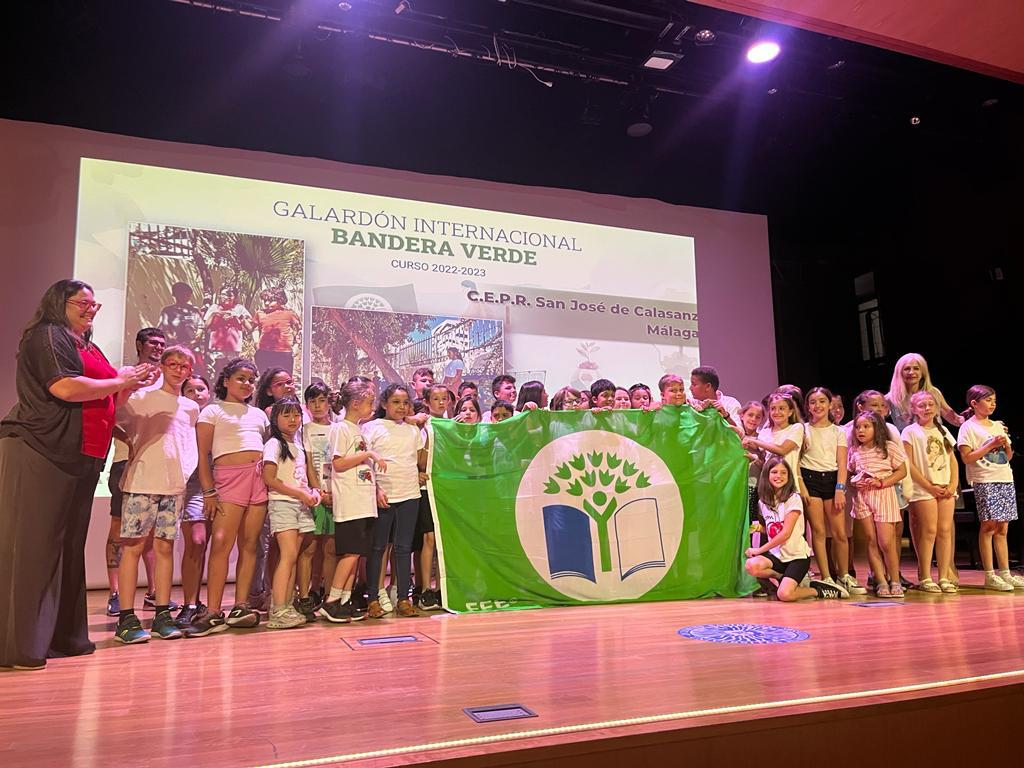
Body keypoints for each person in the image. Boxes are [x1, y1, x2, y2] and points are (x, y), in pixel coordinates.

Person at [0, 279, 154, 670]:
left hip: (81, 456)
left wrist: (131, 384)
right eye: (82, 303)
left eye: (95, 304)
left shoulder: (87, 344)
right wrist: (121, 379)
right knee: (36, 548)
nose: (91, 310)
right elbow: (65, 387)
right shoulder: (47, 335)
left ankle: (64, 637)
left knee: (68, 549)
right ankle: (21, 645)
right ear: (58, 302)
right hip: (41, 449)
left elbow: (104, 397)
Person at [113, 346, 200, 644]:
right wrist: (132, 443)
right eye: (172, 364)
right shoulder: (140, 397)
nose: (177, 369)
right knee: (133, 547)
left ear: (190, 370)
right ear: (162, 366)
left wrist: (184, 475)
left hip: (173, 485)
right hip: (141, 481)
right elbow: (114, 418)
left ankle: (162, 613)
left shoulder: (190, 407)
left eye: (184, 366)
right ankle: (126, 617)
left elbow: (187, 444)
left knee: (164, 549)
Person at [185, 358, 270, 637]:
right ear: (225, 381)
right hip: (227, 479)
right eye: (241, 378)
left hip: (258, 479)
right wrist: (209, 491)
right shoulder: (212, 411)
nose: (247, 384)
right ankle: (212, 611)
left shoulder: (259, 415)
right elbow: (203, 456)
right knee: (221, 543)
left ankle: (241, 605)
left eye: (251, 379)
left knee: (249, 545)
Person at [105, 327, 167, 617]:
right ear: (140, 345)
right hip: (124, 462)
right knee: (120, 530)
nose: (157, 348)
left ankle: (153, 592)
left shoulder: (167, 379)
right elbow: (109, 415)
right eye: (153, 343)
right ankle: (115, 593)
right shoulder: (126, 374)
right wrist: (129, 440)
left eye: (162, 344)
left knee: (153, 535)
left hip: (157, 464)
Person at [318, 381, 382, 623]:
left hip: (363, 501)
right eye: (369, 402)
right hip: (350, 501)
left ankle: (344, 600)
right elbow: (338, 463)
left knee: (357, 553)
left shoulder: (359, 430)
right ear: (355, 404)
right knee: (351, 553)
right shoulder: (340, 429)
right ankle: (332, 600)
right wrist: (368, 454)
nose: (372, 407)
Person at [363, 384, 427, 618]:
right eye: (395, 402)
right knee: (378, 547)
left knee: (403, 548)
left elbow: (420, 460)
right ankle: (372, 598)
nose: (401, 407)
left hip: (410, 494)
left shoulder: (413, 431)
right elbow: (365, 463)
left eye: (405, 403)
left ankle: (403, 597)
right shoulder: (372, 427)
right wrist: (376, 489)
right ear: (384, 404)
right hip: (384, 495)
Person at [744, 458, 845, 601]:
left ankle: (817, 590)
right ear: (766, 475)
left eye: (783, 473)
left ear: (789, 477)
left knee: (785, 595)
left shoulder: (793, 499)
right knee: (751, 565)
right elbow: (774, 530)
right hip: (777, 556)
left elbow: (785, 533)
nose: (778, 476)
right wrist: (760, 529)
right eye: (774, 472)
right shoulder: (763, 502)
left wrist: (758, 550)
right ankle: (782, 577)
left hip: (796, 557)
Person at [957, 385, 1023, 591]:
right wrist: (989, 445)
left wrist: (1006, 444)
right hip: (985, 480)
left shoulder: (997, 425)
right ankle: (989, 574)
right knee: (989, 526)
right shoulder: (968, 427)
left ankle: (1005, 572)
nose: (993, 404)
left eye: (994, 400)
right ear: (974, 404)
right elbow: (966, 457)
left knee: (1003, 527)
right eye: (988, 400)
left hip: (1004, 478)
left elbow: (1008, 458)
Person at [263, 397, 320, 629]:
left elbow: (303, 477)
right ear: (275, 419)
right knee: (287, 555)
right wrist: (300, 494)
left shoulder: (298, 445)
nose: (292, 420)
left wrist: (312, 492)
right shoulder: (274, 444)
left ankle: (286, 604)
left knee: (294, 556)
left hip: (300, 505)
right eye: (286, 415)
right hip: (283, 504)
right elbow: (269, 479)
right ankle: (278, 609)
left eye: (296, 415)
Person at [800, 387, 857, 595]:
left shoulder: (838, 431)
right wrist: (803, 486)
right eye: (813, 402)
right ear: (808, 406)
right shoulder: (803, 429)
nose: (818, 406)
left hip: (833, 481)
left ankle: (844, 575)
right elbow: (797, 461)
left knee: (840, 532)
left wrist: (840, 488)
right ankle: (825, 576)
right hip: (810, 478)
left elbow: (842, 464)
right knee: (819, 531)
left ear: (829, 404)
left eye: (822, 401)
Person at [902, 391, 959, 593]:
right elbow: (908, 462)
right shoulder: (910, 431)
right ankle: (925, 576)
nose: (927, 408)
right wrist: (928, 485)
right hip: (923, 488)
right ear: (914, 409)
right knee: (929, 531)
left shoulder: (942, 430)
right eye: (922, 405)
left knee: (945, 531)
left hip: (945, 488)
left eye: (930, 404)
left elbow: (952, 460)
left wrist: (952, 485)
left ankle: (943, 576)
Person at [848, 411, 908, 598]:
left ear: (877, 428)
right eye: (858, 427)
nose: (861, 430)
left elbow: (902, 471)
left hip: (884, 494)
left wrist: (882, 482)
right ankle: (881, 581)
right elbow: (850, 473)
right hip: (862, 497)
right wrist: (853, 482)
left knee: (886, 542)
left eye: (866, 426)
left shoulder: (888, 447)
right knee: (871, 540)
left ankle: (895, 579)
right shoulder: (854, 451)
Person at [176, 373, 213, 627]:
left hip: (219, 486)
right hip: (191, 488)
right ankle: (189, 603)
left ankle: (203, 603)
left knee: (209, 544)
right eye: (190, 390)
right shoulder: (180, 420)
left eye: (201, 389)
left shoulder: (215, 417)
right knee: (196, 542)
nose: (197, 394)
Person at [303, 381, 338, 609]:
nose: (317, 406)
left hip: (337, 494)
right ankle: (309, 592)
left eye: (321, 400)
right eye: (312, 401)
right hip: (314, 495)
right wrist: (317, 490)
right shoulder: (304, 429)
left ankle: (329, 594)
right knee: (311, 547)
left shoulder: (339, 428)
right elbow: (307, 463)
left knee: (331, 547)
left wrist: (334, 492)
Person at [885, 352, 963, 432]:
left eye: (916, 368)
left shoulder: (933, 393)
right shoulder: (890, 398)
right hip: (909, 442)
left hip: (936, 441)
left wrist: (970, 417)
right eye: (907, 369)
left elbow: (954, 418)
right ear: (899, 372)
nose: (911, 372)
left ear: (922, 372)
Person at [743, 392, 803, 486]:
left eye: (781, 408)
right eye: (773, 408)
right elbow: (764, 463)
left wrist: (755, 441)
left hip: (789, 485)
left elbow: (782, 450)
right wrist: (754, 457)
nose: (777, 412)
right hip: (769, 486)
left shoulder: (796, 428)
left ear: (790, 412)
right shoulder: (764, 433)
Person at [203, 287, 253, 377]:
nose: (226, 297)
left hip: (233, 346)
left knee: (232, 370)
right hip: (217, 345)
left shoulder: (239, 308)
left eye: (229, 295)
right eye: (223, 294)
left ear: (234, 297)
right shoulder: (214, 307)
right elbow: (206, 326)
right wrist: (215, 314)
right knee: (218, 370)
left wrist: (237, 316)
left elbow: (250, 328)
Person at [158, 281, 206, 370]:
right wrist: (176, 343)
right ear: (175, 294)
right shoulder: (168, 310)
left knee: (196, 370)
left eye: (187, 294)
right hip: (173, 347)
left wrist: (193, 343)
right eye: (182, 294)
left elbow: (200, 328)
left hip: (192, 348)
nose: (185, 296)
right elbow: (165, 329)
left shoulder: (194, 310)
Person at [253, 287, 300, 375]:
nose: (267, 303)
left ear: (280, 300)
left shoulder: (289, 313)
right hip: (264, 352)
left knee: (283, 379)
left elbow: (300, 329)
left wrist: (297, 345)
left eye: (270, 301)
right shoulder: (260, 313)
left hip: (284, 353)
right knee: (266, 380)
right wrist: (256, 343)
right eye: (264, 300)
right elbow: (254, 329)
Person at [689, 366, 742, 430]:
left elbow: (740, 434)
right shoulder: (691, 404)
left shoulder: (730, 403)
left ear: (708, 386)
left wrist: (726, 416)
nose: (690, 388)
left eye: (694, 385)